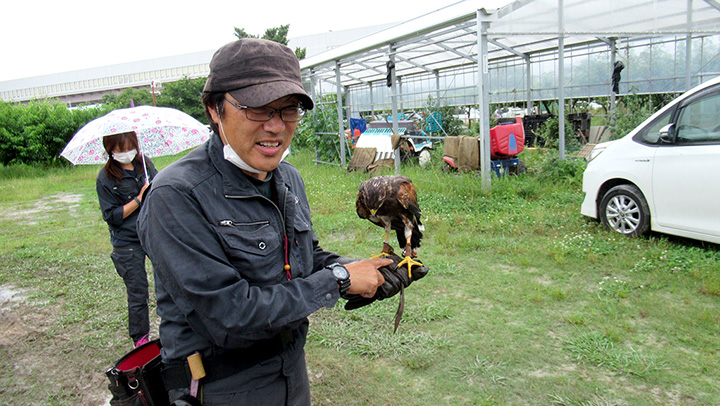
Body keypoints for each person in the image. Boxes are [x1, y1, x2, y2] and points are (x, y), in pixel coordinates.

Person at [137, 38, 391, 405]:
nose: (276, 127)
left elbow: (304, 258)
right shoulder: (176, 195)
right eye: (258, 109)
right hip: (221, 388)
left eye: (289, 110)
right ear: (214, 109)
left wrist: (358, 269)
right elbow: (230, 315)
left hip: (290, 372)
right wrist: (338, 280)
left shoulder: (286, 178)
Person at [96, 131, 157, 348]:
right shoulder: (105, 178)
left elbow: (158, 190)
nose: (126, 153)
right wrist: (139, 199)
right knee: (138, 291)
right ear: (110, 151)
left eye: (129, 147)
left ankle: (179, 326)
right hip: (127, 243)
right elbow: (112, 216)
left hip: (152, 233)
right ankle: (140, 341)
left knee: (170, 280)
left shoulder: (145, 165)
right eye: (120, 150)